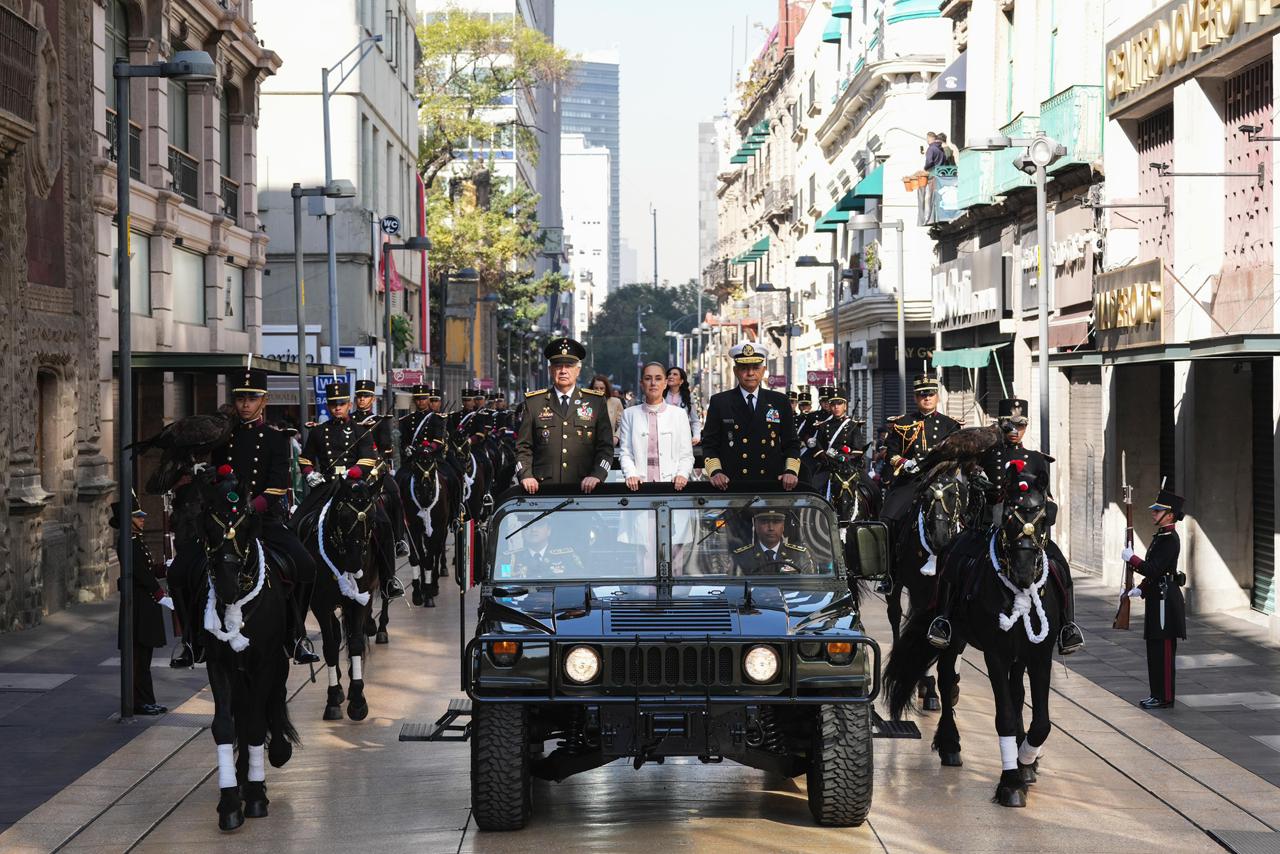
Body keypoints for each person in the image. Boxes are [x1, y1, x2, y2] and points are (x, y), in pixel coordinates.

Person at [208, 367, 322, 663]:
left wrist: (251, 508)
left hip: (262, 520)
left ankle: (296, 634)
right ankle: (193, 641)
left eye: (252, 398)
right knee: (185, 569)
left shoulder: (275, 439)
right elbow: (214, 478)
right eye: (240, 398)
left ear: (264, 401)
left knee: (306, 565)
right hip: (225, 522)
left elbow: (277, 486)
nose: (245, 404)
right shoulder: (222, 438)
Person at [973, 397, 1084, 655]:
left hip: (1026, 532)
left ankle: (1067, 626)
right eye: (1010, 425)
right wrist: (980, 487)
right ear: (1000, 425)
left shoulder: (1036, 458)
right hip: (991, 526)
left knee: (1060, 565)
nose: (1015, 431)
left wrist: (1044, 517)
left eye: (1020, 425)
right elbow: (973, 494)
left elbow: (1046, 499)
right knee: (958, 558)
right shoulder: (986, 456)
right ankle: (945, 618)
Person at [517, 337, 614, 493]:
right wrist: (526, 475)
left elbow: (606, 448)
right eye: (558, 366)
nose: (563, 371)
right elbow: (523, 447)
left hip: (585, 489)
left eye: (569, 366)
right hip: (542, 490)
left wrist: (597, 475)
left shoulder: (595, 402)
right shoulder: (534, 403)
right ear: (550, 370)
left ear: (578, 370)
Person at [701, 342, 801, 490]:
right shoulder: (720, 402)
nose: (750, 373)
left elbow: (791, 444)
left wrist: (790, 471)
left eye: (755, 368)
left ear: (764, 370)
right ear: (735, 371)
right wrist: (716, 472)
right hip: (732, 485)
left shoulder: (779, 401)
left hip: (771, 485)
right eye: (744, 368)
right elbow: (709, 445)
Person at [1122, 488, 1187, 709]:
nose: (1153, 513)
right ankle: (1155, 693)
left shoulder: (1170, 539)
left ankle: (1165, 697)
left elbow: (1153, 569)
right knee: (1154, 651)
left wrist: (1133, 559)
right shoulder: (1161, 536)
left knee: (1164, 653)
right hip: (1157, 597)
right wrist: (1141, 589)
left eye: (1158, 510)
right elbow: (1155, 573)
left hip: (1166, 602)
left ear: (1170, 515)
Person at [113, 495, 172, 715]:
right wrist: (160, 594)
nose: (143, 519)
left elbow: (147, 569)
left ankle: (147, 699)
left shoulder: (136, 540)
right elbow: (140, 573)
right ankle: (139, 701)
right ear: (128, 520)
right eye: (138, 517)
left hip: (144, 605)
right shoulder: (127, 542)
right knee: (137, 658)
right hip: (137, 606)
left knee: (145, 657)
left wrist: (165, 568)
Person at [354, 379, 409, 565]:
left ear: (372, 399)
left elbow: (386, 449)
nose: (362, 399)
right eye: (359, 396)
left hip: (375, 471)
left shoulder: (380, 421)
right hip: (353, 471)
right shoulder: (350, 421)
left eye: (366, 396)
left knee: (395, 495)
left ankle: (399, 540)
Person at [619, 362, 695, 491]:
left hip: (672, 486)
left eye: (658, 378)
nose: (653, 383)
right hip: (639, 487)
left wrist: (682, 474)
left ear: (665, 383)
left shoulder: (679, 414)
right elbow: (626, 453)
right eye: (648, 378)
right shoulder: (629, 414)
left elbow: (686, 454)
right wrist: (631, 474)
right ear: (641, 383)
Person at [810, 387, 866, 497]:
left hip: (849, 467)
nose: (836, 407)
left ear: (845, 406)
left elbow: (857, 450)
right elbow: (818, 446)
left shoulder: (853, 426)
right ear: (830, 406)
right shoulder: (823, 426)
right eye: (833, 404)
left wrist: (846, 458)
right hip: (828, 467)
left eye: (839, 403)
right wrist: (824, 456)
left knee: (871, 489)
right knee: (813, 490)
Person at [732, 509, 815, 575]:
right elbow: (735, 587)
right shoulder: (742, 557)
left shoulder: (799, 555)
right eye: (764, 522)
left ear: (783, 526)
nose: (771, 528)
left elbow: (809, 586)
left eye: (776, 522)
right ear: (756, 525)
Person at [503, 517, 586, 579]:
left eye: (539, 525)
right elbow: (503, 587)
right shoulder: (509, 560)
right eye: (528, 525)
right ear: (522, 532)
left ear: (549, 530)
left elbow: (579, 583)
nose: (533, 529)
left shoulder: (567, 557)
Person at [665, 366, 702, 445]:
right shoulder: (661, 396)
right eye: (669, 374)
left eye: (675, 374)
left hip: (683, 440)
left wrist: (696, 436)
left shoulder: (688, 397)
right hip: (664, 439)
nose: (671, 376)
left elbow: (695, 420)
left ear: (681, 381)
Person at [590, 374, 624, 444]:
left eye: (602, 388)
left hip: (608, 444)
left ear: (606, 389)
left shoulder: (615, 402)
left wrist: (616, 437)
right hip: (588, 444)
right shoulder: (585, 403)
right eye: (596, 388)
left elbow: (623, 423)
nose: (598, 391)